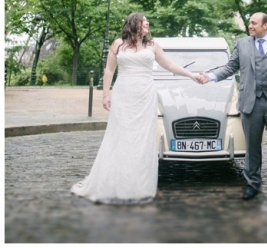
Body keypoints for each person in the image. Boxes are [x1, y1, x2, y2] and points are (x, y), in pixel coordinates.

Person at [71, 12, 203, 204]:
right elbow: (109, 70)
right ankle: (115, 184)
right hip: (124, 93)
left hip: (145, 95)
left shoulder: (152, 46)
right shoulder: (118, 44)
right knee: (120, 137)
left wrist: (191, 75)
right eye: (144, 22)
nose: (148, 25)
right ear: (134, 25)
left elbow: (170, 64)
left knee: (141, 140)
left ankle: (137, 186)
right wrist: (106, 94)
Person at [198, 12, 267, 202]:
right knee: (252, 147)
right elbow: (230, 67)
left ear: (265, 26)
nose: (250, 26)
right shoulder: (242, 44)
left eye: (254, 23)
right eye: (250, 23)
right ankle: (252, 183)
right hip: (250, 103)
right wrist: (209, 76)